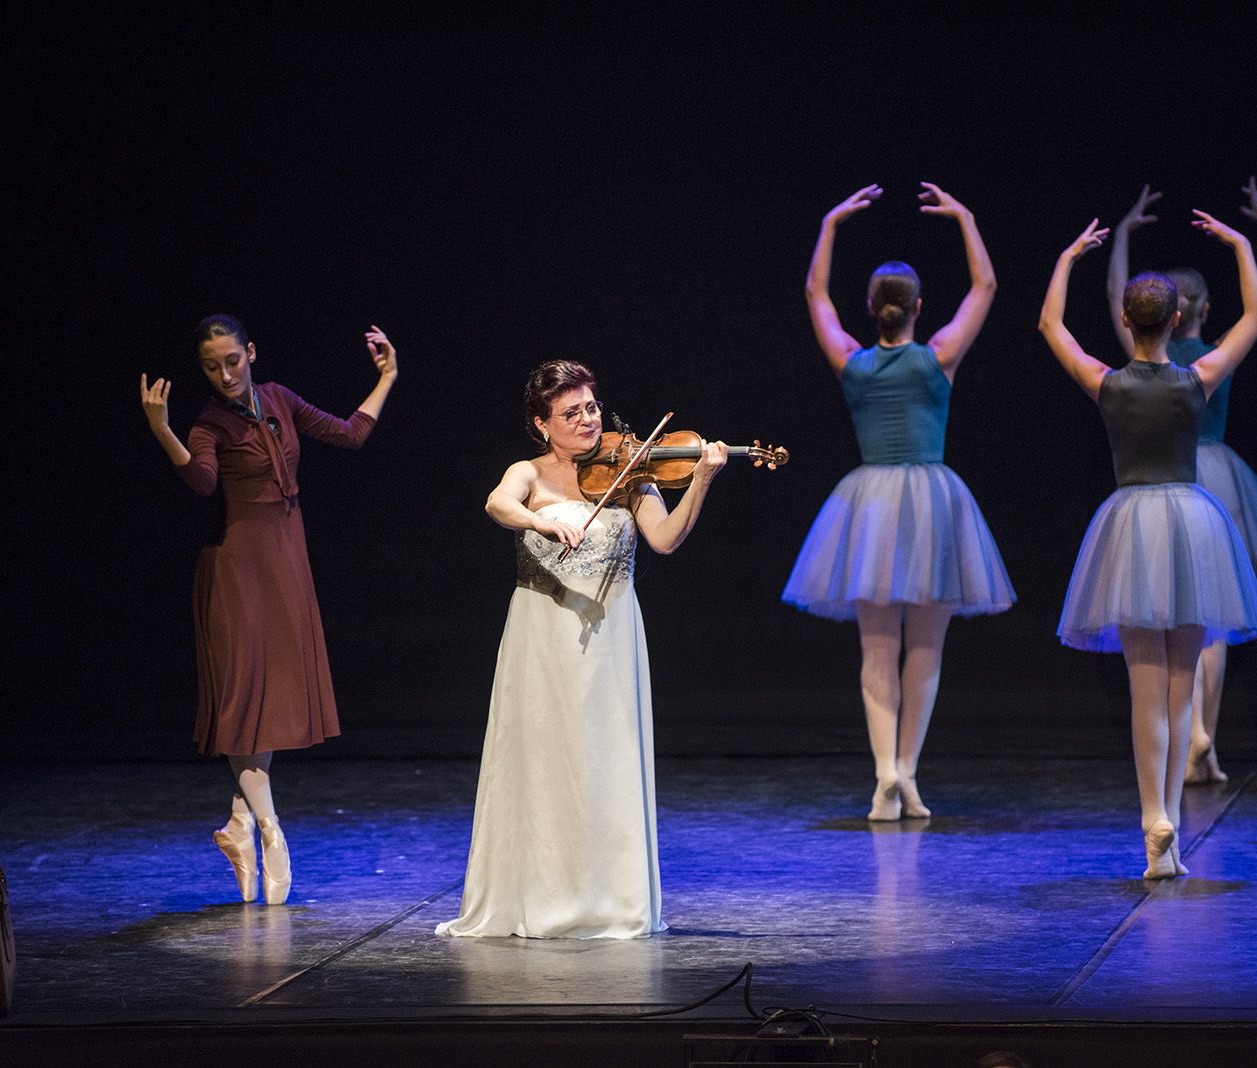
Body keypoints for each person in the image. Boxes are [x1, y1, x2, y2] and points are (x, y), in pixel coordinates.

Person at [437, 360, 727, 938]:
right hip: (541, 638)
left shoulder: (629, 474)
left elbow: (666, 540)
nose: (587, 420)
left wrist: (701, 479)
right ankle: (541, 898)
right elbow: (498, 505)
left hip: (613, 634)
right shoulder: (529, 473)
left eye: (591, 407)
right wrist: (541, 525)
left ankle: (610, 901)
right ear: (543, 424)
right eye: (570, 413)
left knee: (604, 759)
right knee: (544, 761)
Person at [1039, 212, 1257, 878]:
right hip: (1193, 526)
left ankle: (1155, 823)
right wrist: (1237, 244)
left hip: (1131, 528)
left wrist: (1067, 257)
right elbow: (1255, 315)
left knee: (1147, 691)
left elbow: (1050, 327)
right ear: (1175, 323)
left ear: (1125, 320)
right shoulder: (1198, 380)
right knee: (1180, 688)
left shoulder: (1107, 384)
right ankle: (1168, 815)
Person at [139, 314, 398, 904]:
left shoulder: (278, 398)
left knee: (271, 696)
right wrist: (163, 430)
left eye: (232, 360)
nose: (225, 374)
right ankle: (270, 830)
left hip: (286, 559)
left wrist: (388, 377)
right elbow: (202, 480)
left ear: (250, 352)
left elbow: (349, 434)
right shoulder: (209, 423)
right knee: (243, 699)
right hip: (237, 568)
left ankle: (237, 824)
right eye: (212, 366)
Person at [782, 181, 1015, 821]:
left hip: (871, 508)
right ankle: (908, 774)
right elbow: (986, 289)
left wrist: (829, 224)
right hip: (935, 504)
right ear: (918, 308)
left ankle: (884, 774)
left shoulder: (852, 362)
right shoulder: (938, 357)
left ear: (872, 308)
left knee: (877, 649)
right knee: (927, 648)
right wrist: (966, 215)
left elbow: (814, 296)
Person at [1107, 180, 1257, 784]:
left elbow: (1115, 294)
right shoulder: (1208, 361)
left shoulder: (1142, 363)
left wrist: (1123, 235)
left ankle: (1192, 739)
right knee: (1207, 614)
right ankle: (1200, 732)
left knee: (1165, 612)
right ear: (1197, 312)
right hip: (1208, 480)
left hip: (1156, 484)